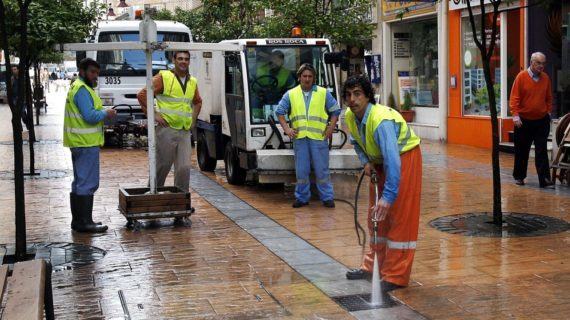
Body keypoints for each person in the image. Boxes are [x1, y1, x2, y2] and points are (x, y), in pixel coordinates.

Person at [343, 75, 422, 293]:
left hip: (404, 159)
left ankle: (396, 275)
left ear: (368, 96)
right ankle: (373, 267)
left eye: (357, 94)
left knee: (399, 216)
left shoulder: (381, 120)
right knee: (375, 216)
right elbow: (356, 142)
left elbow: (393, 160)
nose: (352, 99)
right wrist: (365, 162)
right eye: (348, 95)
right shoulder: (351, 116)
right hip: (378, 162)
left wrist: (388, 196)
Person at [137, 51, 202, 223]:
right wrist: (154, 114)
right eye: (180, 59)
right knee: (163, 166)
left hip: (183, 130)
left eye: (186, 59)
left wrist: (193, 120)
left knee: (184, 168)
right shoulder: (164, 77)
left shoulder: (192, 81)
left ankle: (180, 209)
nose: (183, 62)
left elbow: (198, 101)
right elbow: (142, 95)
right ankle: (152, 203)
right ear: (173, 60)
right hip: (166, 129)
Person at [64, 58, 116, 233]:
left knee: (79, 182)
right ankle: (84, 222)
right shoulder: (83, 90)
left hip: (79, 142)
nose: (95, 76)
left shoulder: (77, 86)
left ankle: (79, 221)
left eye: (97, 73)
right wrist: (106, 113)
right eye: (92, 72)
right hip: (85, 143)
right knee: (87, 183)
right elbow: (90, 116)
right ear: (82, 71)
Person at [276, 63, 340, 208]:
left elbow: (335, 111)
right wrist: (286, 129)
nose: (307, 79)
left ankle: (327, 197)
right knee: (302, 171)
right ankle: (302, 198)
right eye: (304, 76)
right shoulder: (291, 94)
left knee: (322, 169)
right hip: (300, 139)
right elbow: (279, 112)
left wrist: (330, 128)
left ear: (314, 78)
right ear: (299, 78)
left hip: (318, 138)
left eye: (310, 76)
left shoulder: (323, 93)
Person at [510, 52, 554, 189]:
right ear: (532, 63)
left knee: (541, 151)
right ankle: (519, 177)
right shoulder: (521, 77)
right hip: (523, 121)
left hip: (541, 121)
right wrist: (515, 115)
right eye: (539, 63)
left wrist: (548, 112)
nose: (542, 66)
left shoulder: (545, 78)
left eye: (543, 63)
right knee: (522, 150)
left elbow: (548, 97)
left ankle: (545, 180)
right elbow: (514, 98)